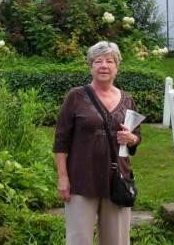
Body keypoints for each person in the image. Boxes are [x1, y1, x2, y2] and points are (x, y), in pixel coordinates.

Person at [53, 41, 142, 245]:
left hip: (117, 178)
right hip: (81, 179)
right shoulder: (76, 96)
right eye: (98, 61)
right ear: (90, 66)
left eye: (109, 61)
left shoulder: (127, 100)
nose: (104, 65)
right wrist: (63, 178)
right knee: (79, 239)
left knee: (117, 240)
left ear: (116, 68)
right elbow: (60, 141)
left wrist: (132, 139)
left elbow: (136, 136)